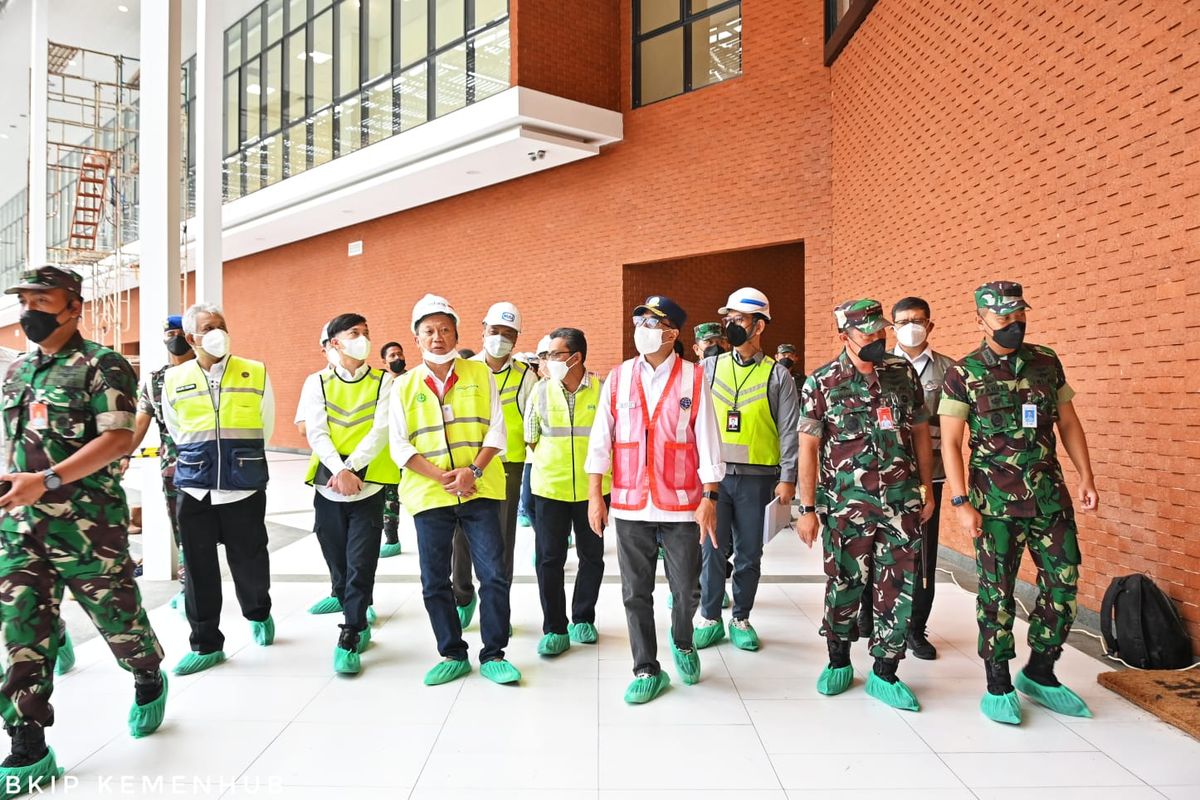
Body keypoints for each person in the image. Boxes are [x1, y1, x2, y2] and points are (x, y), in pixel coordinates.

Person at [0, 267, 168, 791]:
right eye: (24, 299)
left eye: (41, 300)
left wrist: (45, 480)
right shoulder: (17, 370)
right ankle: (27, 744)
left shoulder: (103, 365)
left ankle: (146, 671)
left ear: (72, 307)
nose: (29, 309)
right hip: (20, 527)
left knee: (120, 623)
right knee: (21, 631)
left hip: (88, 528)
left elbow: (119, 441)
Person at [939, 281, 1099, 724]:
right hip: (994, 505)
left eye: (1018, 314)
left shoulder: (1046, 361)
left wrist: (1086, 475)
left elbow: (1068, 422)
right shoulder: (964, 372)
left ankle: (1041, 671)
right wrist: (959, 500)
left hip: (1049, 497)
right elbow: (952, 442)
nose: (1014, 324)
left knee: (1063, 584)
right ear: (981, 320)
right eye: (1004, 317)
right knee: (997, 593)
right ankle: (998, 681)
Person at [796, 299, 935, 711]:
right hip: (846, 509)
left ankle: (885, 672)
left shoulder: (901, 372)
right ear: (845, 337)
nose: (877, 340)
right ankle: (838, 662)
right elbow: (808, 448)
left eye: (880, 332)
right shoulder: (822, 382)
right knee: (843, 583)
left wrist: (926, 488)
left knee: (897, 587)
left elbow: (921, 433)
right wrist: (807, 509)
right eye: (867, 334)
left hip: (900, 503)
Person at [586, 295, 723, 704]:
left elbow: (708, 442)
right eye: (639, 321)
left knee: (687, 588)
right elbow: (600, 440)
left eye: (652, 322)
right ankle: (646, 666)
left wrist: (710, 497)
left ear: (671, 332)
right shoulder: (618, 377)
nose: (642, 329)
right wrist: (596, 495)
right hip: (629, 504)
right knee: (635, 591)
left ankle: (682, 640)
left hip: (682, 503)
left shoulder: (694, 378)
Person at [389, 294, 520, 686]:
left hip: (479, 489)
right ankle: (451, 651)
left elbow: (498, 429)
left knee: (494, 573)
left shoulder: (481, 375)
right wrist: (440, 476)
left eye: (445, 330)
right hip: (430, 494)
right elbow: (399, 444)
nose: (437, 338)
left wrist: (472, 472)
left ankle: (494, 653)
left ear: (457, 334)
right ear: (416, 339)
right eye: (428, 331)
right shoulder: (404, 385)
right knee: (434, 579)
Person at [163, 302, 276, 676]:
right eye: (209, 327)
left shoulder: (254, 371)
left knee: (251, 561)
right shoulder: (175, 378)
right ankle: (206, 642)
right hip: (195, 488)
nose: (218, 332)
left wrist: (238, 462)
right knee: (198, 569)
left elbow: (267, 425)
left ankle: (258, 611)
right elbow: (177, 428)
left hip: (242, 487)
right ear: (192, 338)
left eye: (222, 325)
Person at [695, 289, 800, 651]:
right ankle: (709, 616)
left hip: (758, 479)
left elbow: (790, 430)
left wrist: (788, 478)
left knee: (749, 553)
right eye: (729, 319)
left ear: (759, 326)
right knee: (711, 548)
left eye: (738, 319)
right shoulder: (709, 367)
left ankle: (740, 617)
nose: (730, 325)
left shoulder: (778, 375)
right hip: (716, 477)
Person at [300, 313, 397, 674]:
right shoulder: (317, 383)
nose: (364, 339)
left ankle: (352, 628)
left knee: (361, 561)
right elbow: (316, 430)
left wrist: (353, 468)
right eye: (355, 333)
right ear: (335, 342)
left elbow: (381, 429)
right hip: (329, 484)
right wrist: (339, 470)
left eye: (367, 333)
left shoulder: (383, 382)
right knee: (336, 558)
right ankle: (346, 600)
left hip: (367, 485)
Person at [526, 328, 609, 656]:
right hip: (550, 488)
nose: (547, 360)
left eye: (554, 354)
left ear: (575, 357)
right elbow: (531, 436)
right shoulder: (541, 392)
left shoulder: (603, 391)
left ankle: (583, 617)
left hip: (595, 490)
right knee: (549, 559)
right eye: (546, 355)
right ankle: (554, 627)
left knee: (592, 556)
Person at [452, 303, 534, 629]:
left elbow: (532, 420)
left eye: (508, 333)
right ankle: (462, 595)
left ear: (516, 339)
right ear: (483, 329)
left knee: (502, 539)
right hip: (468, 462)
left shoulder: (525, 375)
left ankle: (498, 604)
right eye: (495, 331)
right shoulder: (463, 368)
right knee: (461, 534)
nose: (500, 338)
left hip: (508, 466)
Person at [885, 297, 956, 660]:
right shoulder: (879, 367)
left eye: (918, 320)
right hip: (885, 475)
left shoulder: (948, 370)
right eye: (903, 320)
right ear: (892, 326)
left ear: (930, 325)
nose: (911, 325)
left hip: (932, 475)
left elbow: (956, 426)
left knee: (923, 554)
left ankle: (916, 628)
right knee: (881, 549)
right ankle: (873, 617)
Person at [129, 315, 195, 611]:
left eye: (181, 332)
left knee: (224, 536)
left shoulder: (207, 372)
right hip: (173, 470)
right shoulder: (156, 380)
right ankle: (190, 590)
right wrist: (118, 455)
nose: (175, 337)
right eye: (170, 332)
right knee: (184, 533)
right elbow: (138, 425)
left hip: (212, 468)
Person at [379, 340, 407, 558]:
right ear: (384, 361)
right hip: (387, 452)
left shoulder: (412, 379)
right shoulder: (382, 383)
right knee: (390, 498)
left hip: (411, 448)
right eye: (392, 356)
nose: (397, 358)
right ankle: (392, 539)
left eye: (400, 354)